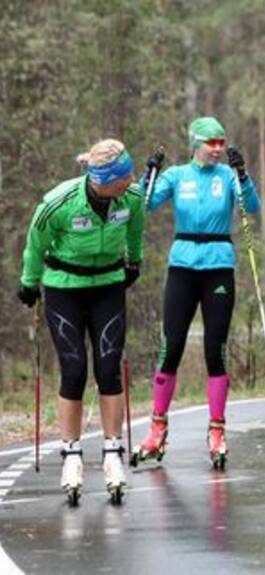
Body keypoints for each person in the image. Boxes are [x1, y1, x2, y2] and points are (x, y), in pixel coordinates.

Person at [18, 138, 145, 503]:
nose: (132, 179)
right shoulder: (58, 202)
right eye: (125, 175)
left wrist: (133, 262)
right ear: (104, 179)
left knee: (108, 368)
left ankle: (111, 452)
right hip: (64, 288)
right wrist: (29, 282)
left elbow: (135, 231)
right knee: (74, 369)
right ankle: (71, 454)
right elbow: (34, 243)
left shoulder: (131, 198)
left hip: (107, 285)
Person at [132, 117, 259, 471]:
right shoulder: (177, 176)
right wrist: (150, 175)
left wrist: (243, 176)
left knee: (215, 348)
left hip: (218, 265)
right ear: (195, 143)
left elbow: (253, 207)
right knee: (170, 346)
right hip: (183, 265)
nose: (218, 149)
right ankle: (157, 427)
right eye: (212, 143)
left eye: (222, 142)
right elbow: (145, 205)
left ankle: (217, 430)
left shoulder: (227, 176)